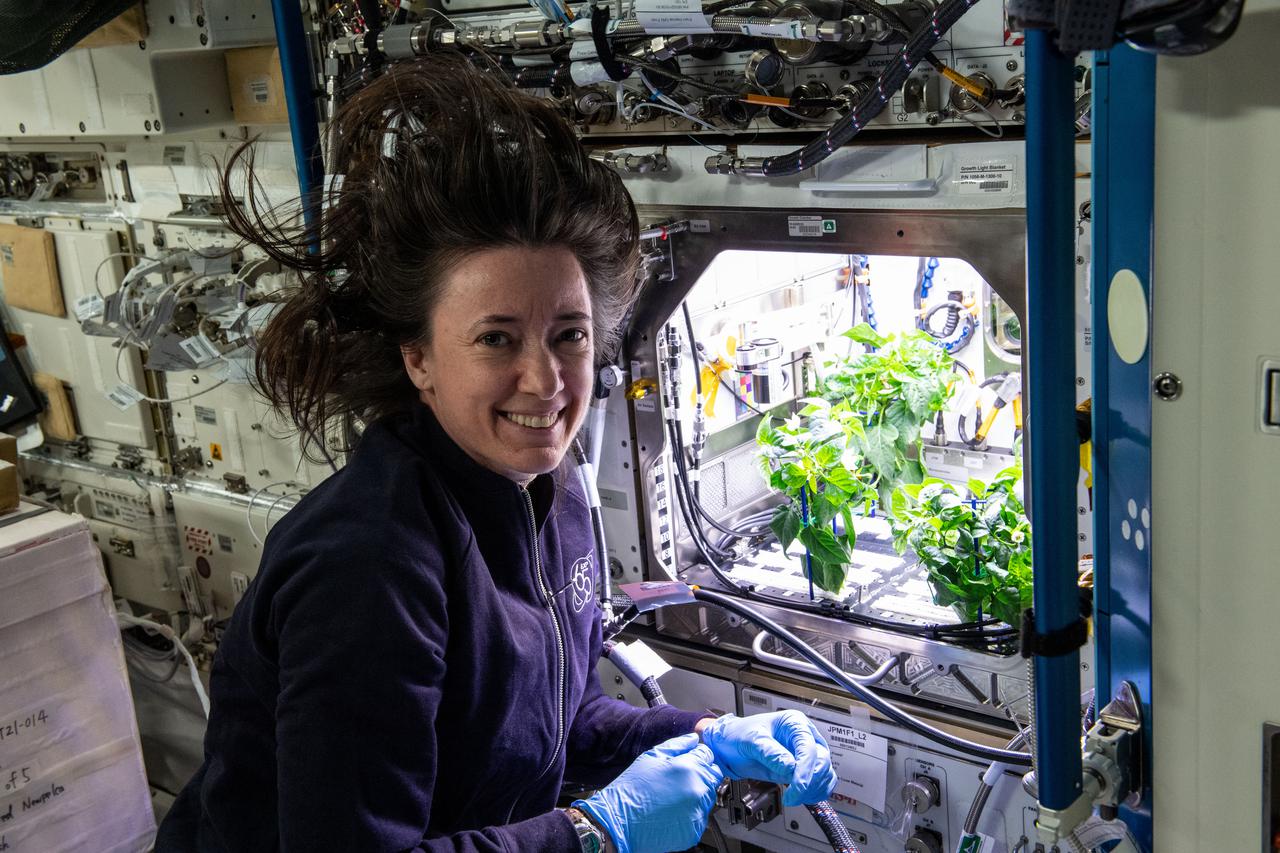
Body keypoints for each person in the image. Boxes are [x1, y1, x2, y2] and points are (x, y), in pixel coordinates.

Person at [156, 54, 837, 853]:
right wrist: (593, 830)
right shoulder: (369, 566)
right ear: (419, 358)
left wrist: (703, 732)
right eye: (496, 338)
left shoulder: (550, 492)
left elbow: (557, 718)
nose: (545, 379)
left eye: (569, 335)